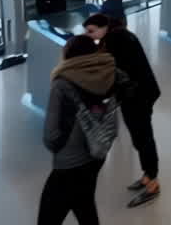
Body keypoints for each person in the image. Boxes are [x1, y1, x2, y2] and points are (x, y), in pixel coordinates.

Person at [38, 35, 124, 225]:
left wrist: (58, 147)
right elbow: (112, 119)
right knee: (84, 204)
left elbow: (50, 135)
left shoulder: (62, 83)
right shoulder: (108, 75)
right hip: (96, 157)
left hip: (68, 164)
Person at [83, 14, 163, 207]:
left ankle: (153, 182)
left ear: (104, 27)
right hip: (138, 94)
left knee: (143, 137)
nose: (89, 35)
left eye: (92, 31)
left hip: (137, 96)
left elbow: (115, 74)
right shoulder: (118, 35)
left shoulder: (115, 41)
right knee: (139, 137)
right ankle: (147, 174)